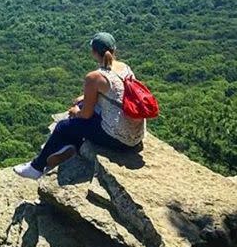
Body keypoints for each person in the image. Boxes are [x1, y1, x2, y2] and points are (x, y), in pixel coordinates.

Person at [14, 32, 146, 180]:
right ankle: (72, 147)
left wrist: (76, 111)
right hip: (137, 136)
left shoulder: (94, 77)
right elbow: (117, 93)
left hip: (119, 139)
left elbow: (86, 115)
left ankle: (36, 167)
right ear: (114, 50)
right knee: (82, 110)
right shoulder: (124, 67)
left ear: (94, 52)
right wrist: (84, 99)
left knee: (63, 126)